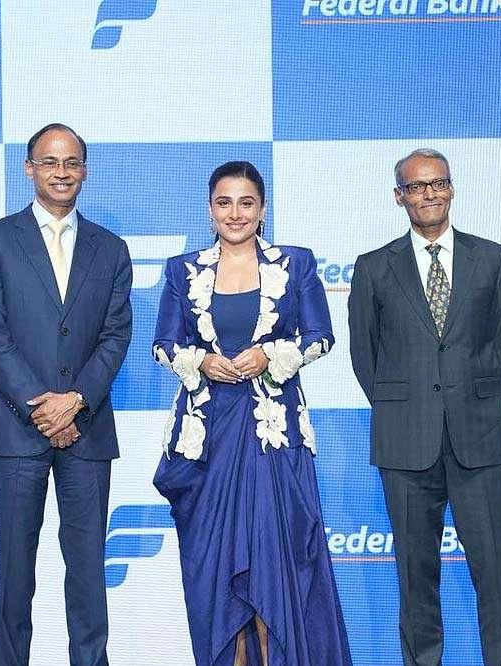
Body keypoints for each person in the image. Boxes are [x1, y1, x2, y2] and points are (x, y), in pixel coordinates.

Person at [152, 160, 353, 666]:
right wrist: (201, 362)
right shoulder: (182, 270)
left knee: (273, 572)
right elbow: (163, 344)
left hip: (273, 439)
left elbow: (320, 336)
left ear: (263, 209)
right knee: (218, 582)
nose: (235, 213)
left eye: (246, 203)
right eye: (224, 203)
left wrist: (271, 356)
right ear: (210, 209)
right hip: (208, 441)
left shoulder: (296, 263)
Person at [348, 149, 501, 665]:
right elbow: (366, 358)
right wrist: (409, 407)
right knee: (415, 576)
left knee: (497, 575)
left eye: (437, 183)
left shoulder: (492, 258)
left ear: (451, 188)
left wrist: (469, 399)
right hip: (406, 443)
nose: (428, 194)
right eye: (416, 186)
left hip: (481, 439)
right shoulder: (373, 267)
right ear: (398, 196)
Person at [0, 123, 132, 666]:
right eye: (49, 162)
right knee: (14, 576)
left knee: (87, 574)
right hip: (17, 430)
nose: (61, 173)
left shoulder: (111, 249)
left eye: (72, 163)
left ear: (84, 170)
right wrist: (42, 407)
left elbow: (115, 336)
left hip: (88, 430)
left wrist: (76, 401)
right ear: (29, 169)